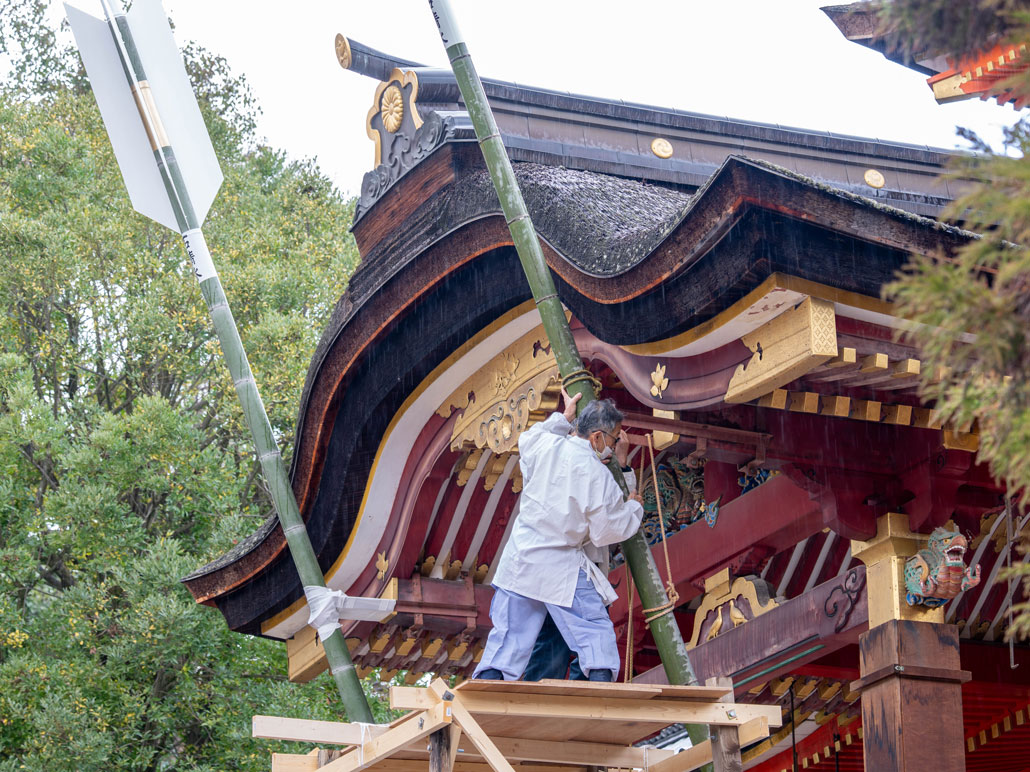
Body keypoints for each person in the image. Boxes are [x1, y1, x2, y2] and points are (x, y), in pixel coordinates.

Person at [473, 389, 643, 682]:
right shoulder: (597, 474)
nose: (614, 445)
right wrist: (634, 508)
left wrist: (563, 418)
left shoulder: (545, 445)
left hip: (521, 556)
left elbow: (529, 437)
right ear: (597, 437)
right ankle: (600, 693)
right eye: (614, 439)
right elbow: (605, 530)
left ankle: (483, 693)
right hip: (561, 564)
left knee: (507, 641)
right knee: (594, 631)